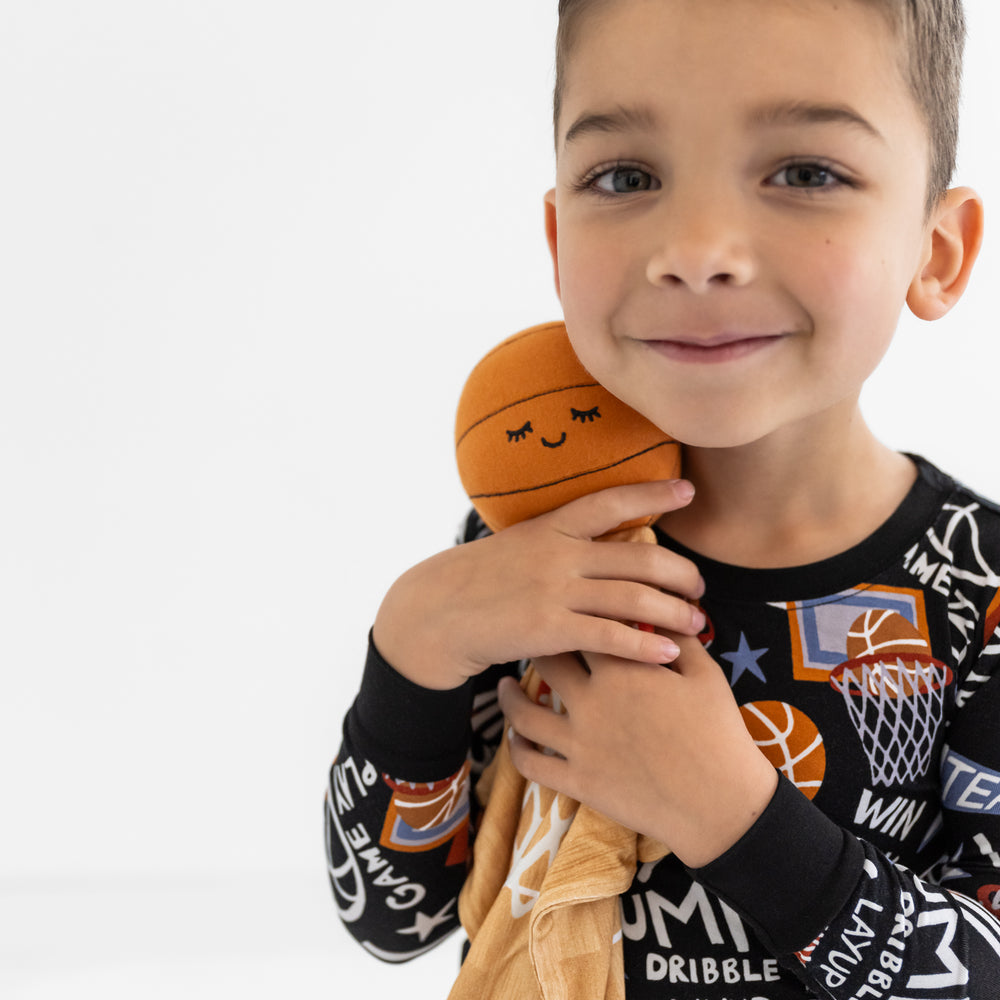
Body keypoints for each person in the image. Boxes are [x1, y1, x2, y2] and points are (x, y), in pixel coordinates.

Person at [326, 1, 1000, 996]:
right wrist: (412, 650)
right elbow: (397, 917)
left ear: (935, 252)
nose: (696, 247)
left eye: (805, 172)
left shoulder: (974, 585)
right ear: (558, 242)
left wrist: (732, 816)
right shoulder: (528, 548)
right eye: (625, 176)